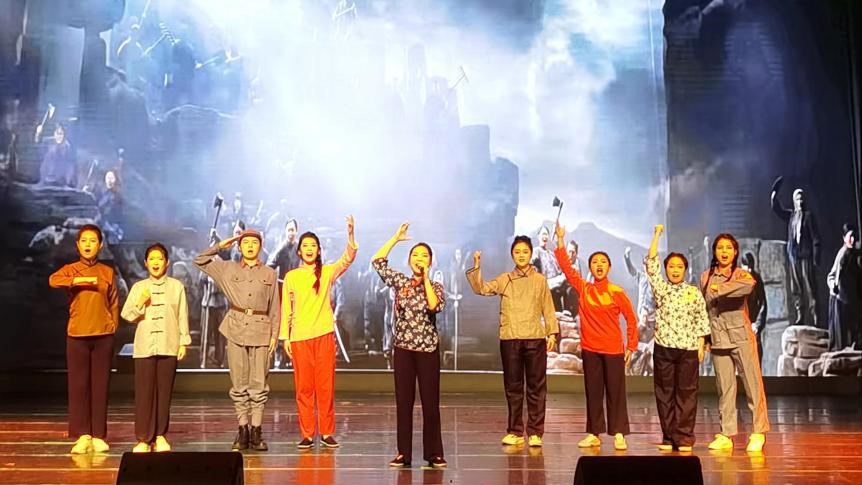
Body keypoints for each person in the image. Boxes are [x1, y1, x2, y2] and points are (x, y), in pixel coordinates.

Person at [466, 235, 559, 448]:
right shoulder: (505, 279)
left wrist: (552, 333)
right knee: (513, 387)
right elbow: (481, 288)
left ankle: (535, 432)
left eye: (525, 251)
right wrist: (477, 267)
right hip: (510, 338)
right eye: (517, 252)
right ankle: (515, 431)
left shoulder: (539, 280)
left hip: (535, 337)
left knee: (536, 388)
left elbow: (548, 307)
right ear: (512, 255)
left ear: (531, 254)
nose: (521, 255)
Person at [553, 221, 637, 451]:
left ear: (609, 267)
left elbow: (631, 319)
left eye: (603, 262)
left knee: (616, 393)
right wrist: (560, 239)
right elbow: (566, 267)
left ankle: (618, 432)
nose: (599, 265)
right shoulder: (584, 288)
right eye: (595, 262)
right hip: (591, 350)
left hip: (613, 350)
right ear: (590, 267)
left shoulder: (617, 292)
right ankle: (594, 433)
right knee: (593, 392)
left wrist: (631, 346)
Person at [194, 228, 280, 452]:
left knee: (258, 383)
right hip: (236, 328)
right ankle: (242, 429)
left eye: (254, 242)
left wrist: (275, 335)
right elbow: (199, 260)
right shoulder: (227, 268)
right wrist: (220, 246)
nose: (250, 246)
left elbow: (275, 308)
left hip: (261, 329)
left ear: (260, 246)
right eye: (246, 242)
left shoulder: (269, 273)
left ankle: (256, 431)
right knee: (239, 382)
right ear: (239, 247)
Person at [371, 223, 447, 468]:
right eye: (415, 255)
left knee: (430, 404)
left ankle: (434, 453)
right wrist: (395, 238)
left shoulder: (436, 286)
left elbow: (434, 305)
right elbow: (377, 261)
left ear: (430, 262)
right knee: (404, 403)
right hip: (403, 349)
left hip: (427, 351)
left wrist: (425, 279)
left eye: (424, 256)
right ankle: (403, 453)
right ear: (409, 260)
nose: (419, 259)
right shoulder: (401, 282)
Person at [280, 217, 357, 449]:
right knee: (304, 388)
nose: (309, 249)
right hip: (300, 338)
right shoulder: (292, 277)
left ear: (319, 250)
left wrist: (350, 234)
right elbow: (286, 309)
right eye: (305, 246)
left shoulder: (327, 272)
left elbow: (347, 259)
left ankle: (326, 432)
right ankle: (307, 434)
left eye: (313, 245)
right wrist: (285, 337)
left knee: (325, 387)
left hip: (323, 335)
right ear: (299, 251)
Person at [49, 224, 119, 454]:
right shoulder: (71, 270)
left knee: (100, 385)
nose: (88, 245)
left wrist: (113, 326)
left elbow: (114, 302)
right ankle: (83, 435)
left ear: (100, 245)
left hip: (103, 335)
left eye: (93, 241)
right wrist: (76, 281)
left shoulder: (107, 272)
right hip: (77, 334)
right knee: (79, 386)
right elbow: (53, 280)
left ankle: (98, 435)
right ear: (77, 245)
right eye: (84, 241)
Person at [645, 225, 710, 452]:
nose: (675, 270)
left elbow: (701, 318)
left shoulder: (693, 292)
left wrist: (701, 344)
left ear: (685, 270)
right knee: (665, 393)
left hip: (688, 349)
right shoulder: (661, 289)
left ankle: (684, 437)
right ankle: (668, 436)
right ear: (666, 269)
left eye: (679, 266)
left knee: (686, 392)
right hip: (664, 347)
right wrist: (656, 235)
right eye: (671, 266)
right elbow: (651, 263)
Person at [701, 233, 769, 452]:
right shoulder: (705, 277)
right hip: (718, 338)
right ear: (714, 251)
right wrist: (704, 339)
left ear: (735, 252)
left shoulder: (741, 274)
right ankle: (726, 434)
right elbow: (705, 310)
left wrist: (719, 289)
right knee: (725, 388)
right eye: (720, 248)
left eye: (729, 248)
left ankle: (758, 431)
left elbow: (748, 286)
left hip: (741, 337)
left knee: (752, 385)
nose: (724, 252)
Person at [121, 243, 190, 453]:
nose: (156, 263)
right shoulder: (139, 287)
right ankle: (143, 438)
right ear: (145, 263)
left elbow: (182, 315)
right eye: (151, 259)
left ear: (167, 262)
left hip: (169, 344)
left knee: (164, 392)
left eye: (159, 259)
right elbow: (127, 315)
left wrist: (183, 341)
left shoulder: (176, 287)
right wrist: (141, 302)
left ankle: (160, 435)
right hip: (145, 346)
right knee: (144, 393)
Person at [770, 177, 821, 327]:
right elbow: (777, 210)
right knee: (796, 288)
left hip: (806, 256)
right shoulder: (791, 216)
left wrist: (816, 258)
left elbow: (816, 238)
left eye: (801, 198)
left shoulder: (808, 217)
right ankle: (800, 315)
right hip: (794, 256)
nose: (800, 201)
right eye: (797, 199)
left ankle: (815, 316)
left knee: (810, 287)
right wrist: (774, 193)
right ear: (794, 201)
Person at [827, 224, 862, 350]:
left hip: (853, 299)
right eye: (850, 236)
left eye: (854, 237)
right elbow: (831, 276)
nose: (852, 240)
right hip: (840, 300)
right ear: (844, 238)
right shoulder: (842, 254)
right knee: (840, 339)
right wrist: (834, 286)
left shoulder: (857, 254)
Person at [740, 252, 768, 364]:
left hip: (753, 326)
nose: (750, 270)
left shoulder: (757, 280)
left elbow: (763, 304)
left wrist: (758, 324)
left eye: (751, 267)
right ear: (742, 266)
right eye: (747, 267)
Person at [531, 225, 566, 311]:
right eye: (543, 234)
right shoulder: (536, 251)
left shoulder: (551, 254)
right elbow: (533, 267)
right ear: (538, 236)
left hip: (555, 288)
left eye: (546, 234)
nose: (545, 236)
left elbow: (559, 270)